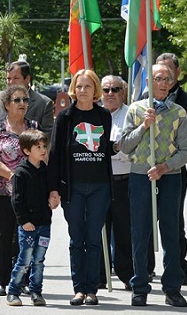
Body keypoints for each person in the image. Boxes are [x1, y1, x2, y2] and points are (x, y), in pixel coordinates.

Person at [120, 64, 187, 307]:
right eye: (158, 78)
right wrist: (144, 126)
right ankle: (139, 285)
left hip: (169, 177)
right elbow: (125, 145)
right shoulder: (135, 109)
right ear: (149, 81)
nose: (162, 82)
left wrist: (165, 167)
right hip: (141, 177)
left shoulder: (179, 112)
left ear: (172, 83)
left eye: (167, 79)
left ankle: (172, 288)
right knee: (140, 232)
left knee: (171, 232)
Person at [47, 69, 113, 306]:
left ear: (95, 89)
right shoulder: (65, 117)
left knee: (93, 238)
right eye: (79, 86)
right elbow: (54, 154)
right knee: (76, 239)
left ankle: (92, 289)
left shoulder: (104, 115)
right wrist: (53, 188)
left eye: (88, 86)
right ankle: (78, 289)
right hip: (72, 187)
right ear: (74, 89)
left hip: (99, 186)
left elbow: (107, 149)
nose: (83, 90)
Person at [0, 61, 55, 258]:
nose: (10, 82)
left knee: (24, 229)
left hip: (30, 179)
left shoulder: (43, 103)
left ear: (27, 79)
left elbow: (47, 140)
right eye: (8, 78)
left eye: (15, 78)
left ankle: (20, 272)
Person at [0, 84, 39, 296]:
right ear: (6, 105)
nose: (22, 104)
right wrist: (14, 176)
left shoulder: (33, 127)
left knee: (24, 237)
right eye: (17, 100)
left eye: (25, 100)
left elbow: (40, 156)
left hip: (27, 194)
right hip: (1, 192)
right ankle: (1, 281)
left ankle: (22, 280)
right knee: (2, 237)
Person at [154, 52, 187, 285]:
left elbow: (186, 141)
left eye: (168, 73)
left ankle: (179, 267)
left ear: (177, 74)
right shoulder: (145, 98)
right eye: (158, 75)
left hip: (173, 170)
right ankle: (149, 268)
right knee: (149, 220)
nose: (164, 79)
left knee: (173, 222)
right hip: (149, 170)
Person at [98, 75, 137, 290]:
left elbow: (131, 151)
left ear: (123, 91)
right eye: (106, 90)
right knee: (98, 229)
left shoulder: (131, 114)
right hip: (99, 181)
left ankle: (126, 274)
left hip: (124, 181)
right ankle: (100, 276)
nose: (110, 93)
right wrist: (115, 150)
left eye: (115, 89)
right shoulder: (94, 115)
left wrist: (112, 151)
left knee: (124, 230)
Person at [6, 129, 51, 307]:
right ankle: (13, 291)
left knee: (39, 260)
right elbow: (16, 200)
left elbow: (51, 191)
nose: (43, 150)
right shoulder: (21, 173)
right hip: (27, 226)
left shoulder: (46, 171)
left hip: (44, 224)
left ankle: (36, 291)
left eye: (44, 146)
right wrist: (24, 221)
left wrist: (54, 198)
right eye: (37, 147)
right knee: (24, 260)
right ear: (26, 151)